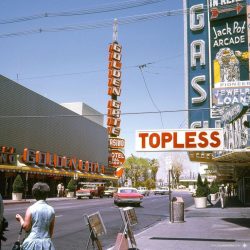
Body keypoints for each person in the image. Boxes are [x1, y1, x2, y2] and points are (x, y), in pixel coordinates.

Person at [16, 182, 55, 250]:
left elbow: (26, 227)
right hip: (46, 243)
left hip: (32, 244)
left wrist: (20, 219)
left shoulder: (31, 209)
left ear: (34, 194)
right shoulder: (51, 210)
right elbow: (50, 231)